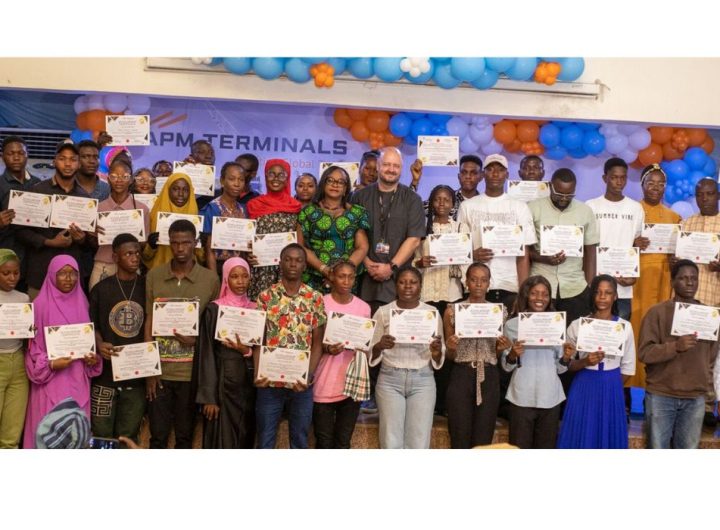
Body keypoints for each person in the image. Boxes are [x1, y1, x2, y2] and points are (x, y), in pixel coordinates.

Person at [350, 147, 425, 414]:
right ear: (378, 166)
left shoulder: (412, 200)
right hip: (365, 279)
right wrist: (368, 263)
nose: (391, 169)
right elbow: (354, 234)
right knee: (365, 336)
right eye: (386, 165)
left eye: (396, 166)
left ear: (400, 169)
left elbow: (414, 238)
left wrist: (391, 266)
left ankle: (386, 396)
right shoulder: (359, 197)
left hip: (396, 282)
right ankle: (361, 392)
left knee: (392, 338)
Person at [144, 219, 219, 449]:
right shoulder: (154, 276)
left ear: (195, 243)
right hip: (160, 373)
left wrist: (196, 340)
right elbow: (149, 320)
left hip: (190, 373)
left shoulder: (210, 279)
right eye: (175, 243)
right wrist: (150, 369)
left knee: (185, 437)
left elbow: (212, 329)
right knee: (157, 436)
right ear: (169, 243)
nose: (180, 249)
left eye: (186, 243)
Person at [23, 255, 102, 448]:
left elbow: (89, 343)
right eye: (63, 274)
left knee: (74, 436)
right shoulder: (39, 306)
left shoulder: (84, 304)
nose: (69, 279)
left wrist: (93, 359)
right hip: (50, 382)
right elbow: (33, 350)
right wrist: (50, 364)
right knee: (47, 435)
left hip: (77, 381)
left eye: (73, 274)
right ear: (51, 276)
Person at [639, 260, 719, 449]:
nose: (689, 283)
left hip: (695, 399)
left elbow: (712, 356)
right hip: (661, 395)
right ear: (672, 282)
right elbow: (644, 352)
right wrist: (675, 346)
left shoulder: (709, 316)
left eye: (693, 278)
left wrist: (702, 384)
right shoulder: (657, 313)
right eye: (683, 278)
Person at [254, 243, 326, 449]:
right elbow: (259, 339)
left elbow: (317, 344)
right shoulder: (265, 297)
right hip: (269, 384)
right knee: (265, 440)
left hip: (301, 385)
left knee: (300, 440)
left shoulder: (315, 298)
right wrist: (258, 373)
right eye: (288, 259)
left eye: (298, 260)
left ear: (305, 265)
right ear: (280, 262)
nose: (293, 264)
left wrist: (308, 376)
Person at [557, 275, 636, 449]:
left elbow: (628, 368)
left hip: (612, 387)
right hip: (584, 386)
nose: (602, 297)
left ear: (615, 296)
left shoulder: (625, 327)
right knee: (581, 434)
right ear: (593, 295)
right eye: (598, 292)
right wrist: (585, 362)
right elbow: (567, 365)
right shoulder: (577, 325)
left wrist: (611, 385)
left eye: (607, 293)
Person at [371, 267, 444, 449]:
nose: (408, 287)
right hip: (390, 379)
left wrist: (436, 351)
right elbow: (370, 350)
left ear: (420, 286)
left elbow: (439, 353)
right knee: (390, 440)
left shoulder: (432, 313)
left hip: (423, 380)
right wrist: (380, 346)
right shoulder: (383, 312)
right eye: (402, 282)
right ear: (396, 286)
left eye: (413, 282)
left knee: (419, 441)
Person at [457, 154, 536, 313]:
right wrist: (473, 254)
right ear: (483, 175)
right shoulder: (467, 206)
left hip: (509, 286)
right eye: (490, 169)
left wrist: (523, 293)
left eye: (500, 170)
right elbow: (460, 247)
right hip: (475, 288)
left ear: (507, 175)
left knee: (505, 337)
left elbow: (523, 255)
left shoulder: (519, 207)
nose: (495, 174)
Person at [502, 276, 574, 449]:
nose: (539, 298)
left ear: (550, 298)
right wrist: (512, 354)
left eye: (545, 294)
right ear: (526, 295)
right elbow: (506, 365)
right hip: (521, 397)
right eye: (534, 293)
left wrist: (566, 358)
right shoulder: (512, 325)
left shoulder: (556, 325)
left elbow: (560, 369)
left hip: (550, 397)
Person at [414, 184, 467, 415]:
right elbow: (413, 260)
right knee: (428, 347)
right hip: (427, 294)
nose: (442, 204)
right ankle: (426, 400)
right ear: (431, 202)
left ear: (453, 204)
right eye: (437, 199)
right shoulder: (422, 227)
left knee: (449, 348)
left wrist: (456, 261)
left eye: (447, 200)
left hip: (451, 295)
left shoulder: (460, 227)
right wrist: (420, 263)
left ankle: (444, 403)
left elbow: (466, 262)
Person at [627, 164, 681, 395]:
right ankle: (627, 390)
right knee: (635, 330)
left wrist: (676, 259)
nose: (655, 188)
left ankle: (657, 391)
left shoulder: (674, 216)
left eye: (661, 184)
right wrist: (633, 244)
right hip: (637, 282)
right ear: (642, 185)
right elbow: (618, 246)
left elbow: (678, 252)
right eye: (651, 183)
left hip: (663, 280)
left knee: (660, 333)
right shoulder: (632, 211)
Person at [443, 264, 510, 448]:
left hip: (488, 375)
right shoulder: (452, 311)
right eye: (473, 279)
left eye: (483, 280)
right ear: (466, 282)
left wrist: (501, 348)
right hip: (461, 374)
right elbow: (449, 355)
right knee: (459, 433)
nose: (478, 284)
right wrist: (450, 347)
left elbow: (495, 352)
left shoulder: (499, 312)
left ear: (489, 284)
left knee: (484, 436)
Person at [89, 234, 147, 443]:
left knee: (128, 438)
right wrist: (98, 343)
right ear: (115, 257)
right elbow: (91, 325)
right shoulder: (101, 289)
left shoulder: (147, 286)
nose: (135, 257)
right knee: (101, 437)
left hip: (136, 377)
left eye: (137, 253)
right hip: (105, 377)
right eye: (128, 254)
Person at [16, 141, 91, 299]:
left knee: (69, 322)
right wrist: (49, 242)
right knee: (38, 322)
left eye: (73, 159)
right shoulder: (37, 191)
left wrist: (82, 239)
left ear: (79, 164)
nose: (68, 163)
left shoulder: (85, 199)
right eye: (63, 158)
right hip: (40, 273)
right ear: (54, 161)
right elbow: (21, 232)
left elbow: (90, 242)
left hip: (72, 276)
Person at [196, 257, 257, 449]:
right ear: (225, 279)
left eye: (245, 276)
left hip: (248, 387)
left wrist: (246, 350)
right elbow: (206, 354)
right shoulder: (214, 310)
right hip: (221, 387)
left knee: (245, 435)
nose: (241, 282)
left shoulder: (256, 309)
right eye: (234, 277)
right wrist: (209, 397)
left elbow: (260, 351)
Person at [528, 168, 599, 326]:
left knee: (573, 339)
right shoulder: (533, 208)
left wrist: (590, 286)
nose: (564, 199)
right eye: (559, 194)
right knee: (542, 334)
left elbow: (590, 252)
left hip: (575, 287)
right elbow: (525, 250)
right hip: (541, 285)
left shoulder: (585, 211)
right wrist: (543, 259)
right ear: (550, 186)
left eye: (569, 195)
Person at [312, 260, 371, 449]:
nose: (346, 281)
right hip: (324, 381)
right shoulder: (320, 302)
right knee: (324, 442)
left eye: (350, 277)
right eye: (341, 276)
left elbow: (365, 343)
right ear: (331, 278)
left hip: (351, 384)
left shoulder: (364, 308)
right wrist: (327, 348)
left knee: (343, 442)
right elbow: (311, 339)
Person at [679, 178, 720, 427]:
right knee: (693, 356)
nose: (704, 199)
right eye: (699, 195)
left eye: (709, 194)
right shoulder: (688, 224)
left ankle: (713, 405)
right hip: (692, 305)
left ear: (718, 195)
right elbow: (681, 265)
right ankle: (698, 406)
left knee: (715, 358)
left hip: (717, 301)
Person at [586, 157, 645, 321]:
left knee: (620, 330)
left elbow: (636, 245)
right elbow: (586, 246)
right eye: (614, 177)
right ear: (605, 178)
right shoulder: (591, 206)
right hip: (596, 285)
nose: (619, 182)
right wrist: (590, 281)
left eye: (623, 177)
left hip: (623, 286)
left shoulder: (635, 208)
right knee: (594, 330)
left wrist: (633, 275)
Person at [297, 165, 370, 293]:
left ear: (346, 188)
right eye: (330, 180)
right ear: (323, 184)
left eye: (340, 182)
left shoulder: (357, 213)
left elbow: (362, 247)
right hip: (314, 278)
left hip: (346, 281)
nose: (335, 185)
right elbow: (301, 246)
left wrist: (342, 273)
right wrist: (325, 270)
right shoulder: (307, 212)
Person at [88, 158, 150, 290]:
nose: (119, 180)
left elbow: (143, 245)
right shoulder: (98, 208)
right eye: (114, 176)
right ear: (108, 179)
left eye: (124, 176)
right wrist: (93, 235)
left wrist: (134, 238)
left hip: (130, 265)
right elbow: (92, 244)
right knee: (98, 303)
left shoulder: (141, 209)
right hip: (103, 264)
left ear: (132, 179)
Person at [246, 159, 303, 300]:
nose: (276, 179)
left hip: (287, 269)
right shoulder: (254, 204)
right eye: (271, 174)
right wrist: (248, 253)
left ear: (287, 178)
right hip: (261, 270)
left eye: (281, 175)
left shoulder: (295, 206)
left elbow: (299, 241)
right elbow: (247, 237)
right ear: (265, 176)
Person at [0, 135, 41, 287]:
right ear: (2, 157)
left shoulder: (39, 184)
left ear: (27, 155)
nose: (16, 157)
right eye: (11, 153)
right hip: (6, 259)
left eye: (21, 153)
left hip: (35, 256)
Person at [0, 249, 29, 448]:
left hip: (18, 363)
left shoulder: (24, 299)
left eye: (16, 273)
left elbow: (27, 334)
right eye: (6, 273)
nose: (12, 278)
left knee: (12, 434)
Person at [143, 172, 201, 271]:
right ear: (167, 190)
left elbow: (200, 258)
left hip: (188, 273)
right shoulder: (154, 216)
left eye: (186, 190)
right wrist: (151, 246)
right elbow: (145, 256)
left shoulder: (194, 216)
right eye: (175, 189)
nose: (181, 194)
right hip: (159, 273)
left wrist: (201, 244)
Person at [200, 161, 249, 275]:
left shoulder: (243, 209)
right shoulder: (212, 208)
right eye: (232, 179)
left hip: (239, 269)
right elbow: (208, 249)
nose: (237, 184)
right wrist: (213, 278)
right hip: (218, 267)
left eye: (241, 180)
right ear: (222, 181)